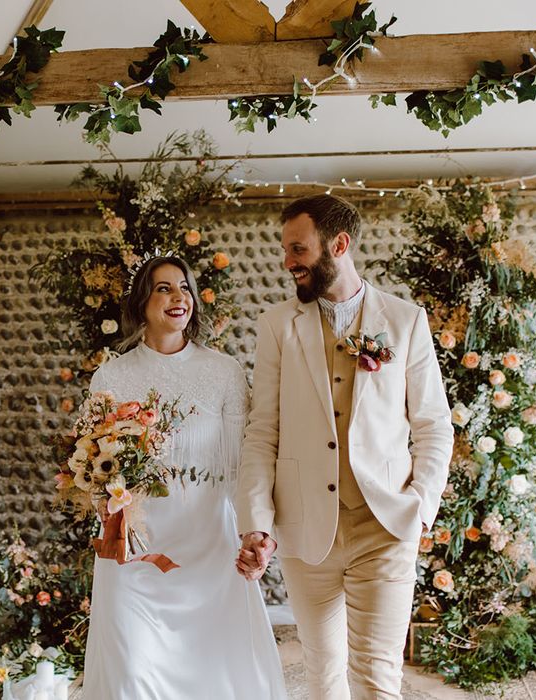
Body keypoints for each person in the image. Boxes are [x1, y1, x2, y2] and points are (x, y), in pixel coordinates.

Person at [234, 195, 453, 699]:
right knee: (323, 676)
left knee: (377, 679)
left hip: (384, 526)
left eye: (298, 249)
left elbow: (434, 425)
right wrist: (258, 523)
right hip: (308, 531)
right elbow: (262, 430)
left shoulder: (404, 321)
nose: (288, 262)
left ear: (339, 244)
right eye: (285, 250)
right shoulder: (277, 327)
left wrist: (420, 509)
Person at [82, 255, 287, 699]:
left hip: (211, 552)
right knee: (131, 670)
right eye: (164, 288)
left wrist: (256, 532)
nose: (179, 298)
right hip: (135, 554)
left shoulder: (224, 372)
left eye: (185, 288)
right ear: (143, 302)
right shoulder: (112, 376)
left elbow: (243, 466)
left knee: (216, 675)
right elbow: (92, 468)